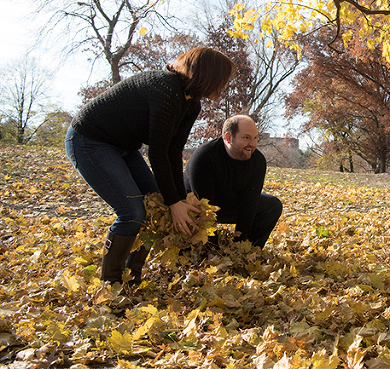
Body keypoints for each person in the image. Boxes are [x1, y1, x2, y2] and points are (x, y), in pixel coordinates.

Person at [65, 47, 236, 285]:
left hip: (124, 147)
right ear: (209, 75)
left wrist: (178, 200)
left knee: (155, 206)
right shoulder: (166, 89)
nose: (225, 85)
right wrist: (174, 202)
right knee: (132, 212)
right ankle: (111, 285)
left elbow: (173, 152)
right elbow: (157, 152)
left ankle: (132, 280)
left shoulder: (191, 105)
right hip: (90, 140)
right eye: (223, 79)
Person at [184, 115, 283, 249]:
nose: (252, 144)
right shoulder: (204, 158)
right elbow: (205, 210)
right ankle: (205, 249)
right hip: (194, 210)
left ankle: (250, 249)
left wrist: (240, 247)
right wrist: (213, 252)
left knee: (272, 206)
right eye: (246, 137)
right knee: (196, 247)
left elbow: (250, 204)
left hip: (230, 204)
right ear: (228, 137)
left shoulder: (257, 161)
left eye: (255, 138)